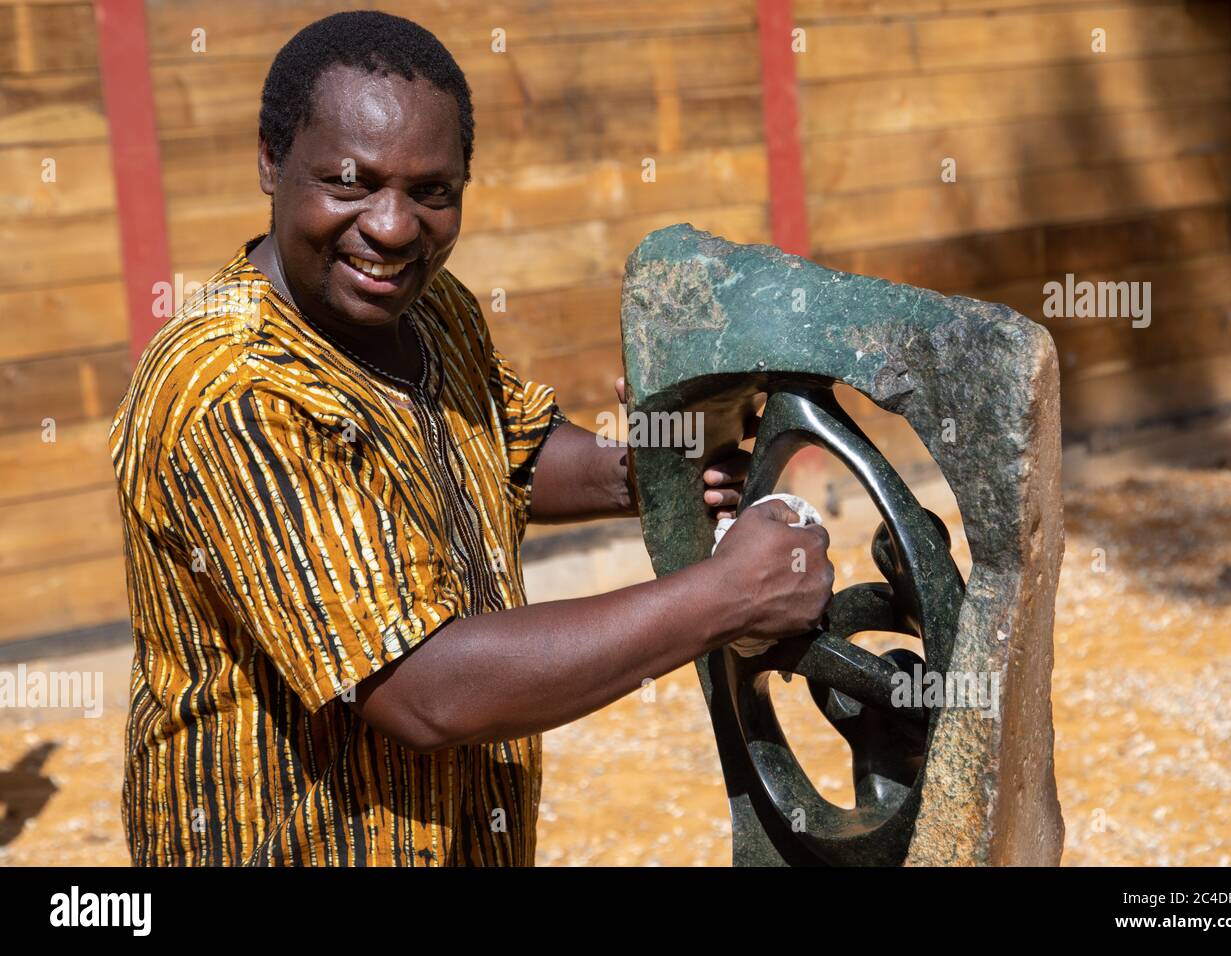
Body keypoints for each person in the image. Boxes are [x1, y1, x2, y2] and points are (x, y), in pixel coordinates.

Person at [110, 10, 833, 866]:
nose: (391, 228)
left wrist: (643, 472)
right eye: (351, 182)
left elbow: (511, 451)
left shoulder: (423, 307)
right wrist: (727, 597)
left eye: (432, 192)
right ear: (272, 163)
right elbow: (426, 691)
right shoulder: (230, 393)